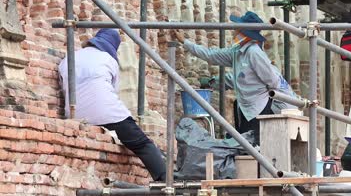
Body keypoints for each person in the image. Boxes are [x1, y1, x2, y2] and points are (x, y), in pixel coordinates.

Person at [173, 11, 298, 144]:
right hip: (245, 108)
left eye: (237, 28)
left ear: (245, 32)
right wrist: (185, 42)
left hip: (259, 108)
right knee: (245, 146)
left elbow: (274, 81)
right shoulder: (237, 51)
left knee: (255, 147)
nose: (234, 31)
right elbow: (211, 55)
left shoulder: (254, 53)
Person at [58, 29, 166, 181]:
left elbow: (64, 88)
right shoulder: (108, 59)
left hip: (75, 114)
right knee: (143, 144)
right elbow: (113, 92)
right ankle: (166, 180)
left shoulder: (68, 58)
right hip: (108, 114)